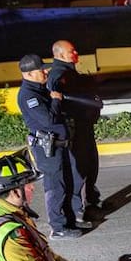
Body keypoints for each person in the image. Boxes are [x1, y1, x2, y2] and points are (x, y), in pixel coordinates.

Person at [16, 54, 85, 239]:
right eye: (41, 70)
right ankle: (58, 227)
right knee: (56, 187)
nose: (46, 71)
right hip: (48, 149)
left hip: (59, 144)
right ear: (29, 74)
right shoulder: (29, 95)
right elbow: (48, 119)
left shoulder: (39, 89)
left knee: (69, 182)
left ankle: (70, 221)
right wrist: (56, 99)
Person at [47, 39, 105, 221]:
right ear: (60, 55)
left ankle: (91, 202)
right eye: (71, 51)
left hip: (83, 126)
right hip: (75, 129)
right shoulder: (58, 74)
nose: (75, 53)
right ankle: (77, 210)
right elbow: (58, 99)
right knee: (79, 169)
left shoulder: (68, 72)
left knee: (90, 165)